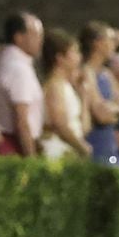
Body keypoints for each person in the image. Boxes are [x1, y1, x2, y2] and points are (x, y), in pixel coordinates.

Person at [0, 12, 44, 156]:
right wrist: (31, 158)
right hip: (15, 147)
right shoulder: (18, 69)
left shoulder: (4, 62)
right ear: (19, 37)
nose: (40, 40)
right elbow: (22, 120)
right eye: (36, 34)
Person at [38, 29, 91, 160]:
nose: (79, 57)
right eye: (75, 51)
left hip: (71, 150)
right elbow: (59, 123)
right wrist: (82, 147)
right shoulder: (55, 86)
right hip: (58, 150)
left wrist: (84, 98)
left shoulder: (66, 86)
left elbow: (82, 128)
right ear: (60, 58)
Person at [79, 22, 119, 167]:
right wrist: (117, 111)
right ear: (97, 43)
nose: (114, 44)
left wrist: (112, 109)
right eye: (110, 39)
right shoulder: (86, 72)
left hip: (111, 146)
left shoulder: (107, 74)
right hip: (96, 146)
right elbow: (102, 116)